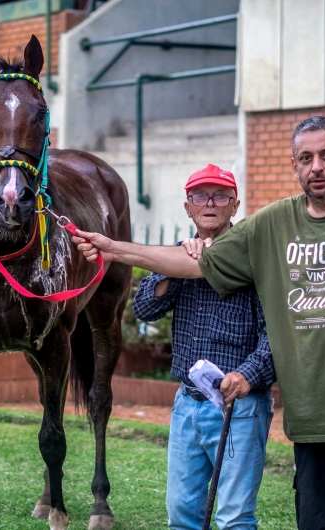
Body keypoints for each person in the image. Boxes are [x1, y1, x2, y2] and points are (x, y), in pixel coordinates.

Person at [72, 116, 325, 529]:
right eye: (306, 158)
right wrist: (113, 248)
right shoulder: (274, 224)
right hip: (316, 424)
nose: (317, 166)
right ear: (294, 166)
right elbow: (194, 266)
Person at [132, 165, 274, 529]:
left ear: (234, 206)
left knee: (233, 518)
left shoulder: (253, 260)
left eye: (220, 196)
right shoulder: (182, 257)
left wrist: (246, 375)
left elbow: (275, 337)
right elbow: (145, 307)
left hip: (238, 406)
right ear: (188, 207)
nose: (210, 203)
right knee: (181, 513)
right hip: (188, 404)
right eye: (200, 196)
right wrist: (178, 262)